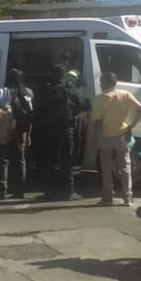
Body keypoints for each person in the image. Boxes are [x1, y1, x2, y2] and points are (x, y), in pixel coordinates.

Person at [92, 71, 141, 206]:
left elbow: (98, 122)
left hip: (105, 136)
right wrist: (131, 126)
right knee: (125, 166)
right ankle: (127, 197)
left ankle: (108, 197)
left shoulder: (99, 99)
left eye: (101, 82)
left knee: (106, 167)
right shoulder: (125, 95)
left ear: (105, 83)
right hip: (122, 135)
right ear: (115, 83)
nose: (100, 85)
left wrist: (96, 139)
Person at [0, 68, 33, 199]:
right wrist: (28, 134)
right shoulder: (28, 93)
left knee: (2, 160)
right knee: (20, 160)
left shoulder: (2, 92)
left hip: (4, 129)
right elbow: (30, 115)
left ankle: (1, 191)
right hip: (20, 130)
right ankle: (19, 191)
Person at [44, 65, 80, 200]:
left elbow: (40, 108)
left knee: (50, 160)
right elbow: (78, 107)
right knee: (67, 160)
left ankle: (49, 191)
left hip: (49, 129)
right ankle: (68, 191)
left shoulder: (47, 89)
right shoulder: (70, 88)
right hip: (66, 128)